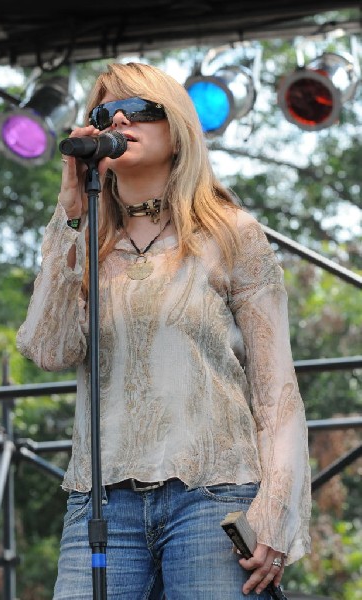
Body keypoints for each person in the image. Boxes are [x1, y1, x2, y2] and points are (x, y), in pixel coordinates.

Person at [16, 61, 311, 600]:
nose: (119, 119)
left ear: (177, 130)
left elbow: (276, 392)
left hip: (213, 498)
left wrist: (276, 509)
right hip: (100, 504)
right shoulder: (85, 238)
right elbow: (49, 348)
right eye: (104, 113)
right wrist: (69, 213)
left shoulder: (230, 233)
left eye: (141, 110)